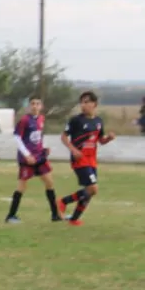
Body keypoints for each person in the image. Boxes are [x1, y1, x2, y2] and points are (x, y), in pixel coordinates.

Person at [58, 90, 115, 226]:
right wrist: (73, 149)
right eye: (81, 102)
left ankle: (74, 219)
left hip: (92, 160)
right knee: (92, 188)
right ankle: (63, 201)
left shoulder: (98, 121)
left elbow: (100, 140)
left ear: (94, 104)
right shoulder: (76, 120)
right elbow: (64, 137)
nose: (83, 105)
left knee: (89, 191)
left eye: (86, 102)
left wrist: (109, 139)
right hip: (80, 159)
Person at [6, 96, 62, 223]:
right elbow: (17, 137)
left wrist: (44, 148)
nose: (35, 106)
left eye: (37, 104)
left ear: (41, 106)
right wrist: (26, 154)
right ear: (29, 106)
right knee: (22, 187)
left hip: (39, 157)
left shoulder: (41, 119)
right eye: (32, 104)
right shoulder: (25, 120)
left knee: (49, 183)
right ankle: (10, 216)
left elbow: (38, 137)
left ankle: (55, 215)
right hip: (27, 159)